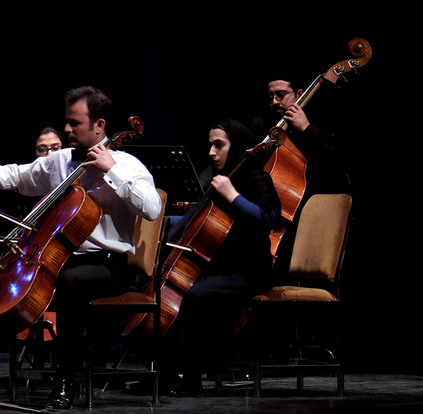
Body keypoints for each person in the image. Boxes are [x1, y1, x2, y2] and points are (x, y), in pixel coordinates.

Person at [0, 85, 163, 410]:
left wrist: (111, 170)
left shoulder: (127, 163)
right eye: (67, 121)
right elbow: (18, 175)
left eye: (75, 123)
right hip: (54, 257)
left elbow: (153, 208)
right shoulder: (61, 161)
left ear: (99, 126)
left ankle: (66, 382)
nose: (67, 129)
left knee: (71, 283)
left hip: (106, 264)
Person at [147, 119, 281, 396]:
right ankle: (165, 373)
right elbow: (193, 221)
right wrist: (155, 220)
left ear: (237, 146)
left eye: (218, 145)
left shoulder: (255, 178)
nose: (211, 152)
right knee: (163, 290)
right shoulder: (217, 181)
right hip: (218, 268)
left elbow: (269, 219)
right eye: (210, 145)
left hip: (250, 271)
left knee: (196, 295)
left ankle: (192, 376)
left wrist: (233, 196)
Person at [248, 70, 351, 279]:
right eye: (270, 97)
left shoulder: (319, 123)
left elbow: (339, 158)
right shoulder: (267, 129)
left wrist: (306, 127)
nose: (275, 101)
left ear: (299, 94)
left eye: (281, 94)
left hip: (311, 214)